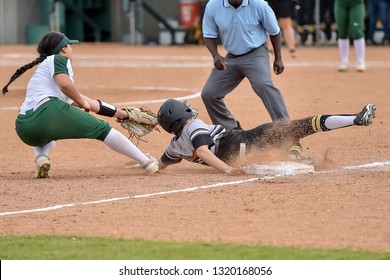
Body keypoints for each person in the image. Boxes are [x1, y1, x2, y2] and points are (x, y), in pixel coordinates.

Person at [2, 31, 159, 178]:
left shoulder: (42, 73)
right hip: (48, 111)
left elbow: (88, 102)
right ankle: (147, 162)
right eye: (69, 45)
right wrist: (81, 101)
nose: (71, 48)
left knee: (47, 136)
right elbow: (65, 85)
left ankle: (41, 157)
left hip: (24, 128)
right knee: (103, 130)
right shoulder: (58, 59)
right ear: (63, 49)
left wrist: (120, 113)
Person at [201, 0, 305, 161]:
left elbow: (275, 31)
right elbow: (209, 35)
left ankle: (288, 132)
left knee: (263, 85)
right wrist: (215, 55)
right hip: (231, 59)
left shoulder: (259, 5)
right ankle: (232, 134)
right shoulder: (213, 6)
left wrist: (278, 58)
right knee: (209, 94)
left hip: (256, 54)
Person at [156, 99, 376, 174]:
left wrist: (140, 162)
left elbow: (159, 164)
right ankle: (355, 119)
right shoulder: (195, 126)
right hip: (246, 140)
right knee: (296, 128)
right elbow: (203, 150)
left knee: (289, 138)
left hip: (242, 152)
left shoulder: (174, 146)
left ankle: (292, 157)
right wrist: (228, 170)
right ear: (181, 114)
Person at [334, 0, 367, 72]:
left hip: (356, 3)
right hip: (341, 3)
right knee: (342, 31)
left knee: (357, 31)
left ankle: (361, 61)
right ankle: (344, 61)